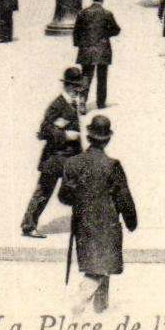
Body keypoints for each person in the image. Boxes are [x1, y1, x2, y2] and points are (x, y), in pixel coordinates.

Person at [58, 115, 138, 314]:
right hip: (107, 224)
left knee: (98, 267)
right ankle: (81, 299)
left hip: (83, 224)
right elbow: (124, 198)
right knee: (100, 269)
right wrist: (131, 222)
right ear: (107, 138)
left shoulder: (73, 163)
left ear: (89, 136)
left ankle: (100, 309)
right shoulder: (112, 166)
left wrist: (79, 193)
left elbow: (64, 197)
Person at [22, 66, 87, 238]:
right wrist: (66, 135)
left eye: (79, 88)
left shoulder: (72, 103)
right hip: (55, 158)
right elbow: (44, 130)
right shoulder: (57, 105)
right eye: (74, 87)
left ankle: (81, 224)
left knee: (80, 190)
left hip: (70, 158)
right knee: (43, 192)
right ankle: (28, 225)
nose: (77, 91)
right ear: (66, 86)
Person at [73, 0, 121, 110]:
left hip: (86, 49)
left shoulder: (83, 13)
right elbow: (116, 30)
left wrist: (80, 45)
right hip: (102, 48)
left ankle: (82, 102)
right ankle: (100, 102)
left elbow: (76, 32)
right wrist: (106, 34)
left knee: (86, 75)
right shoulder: (107, 14)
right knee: (102, 77)